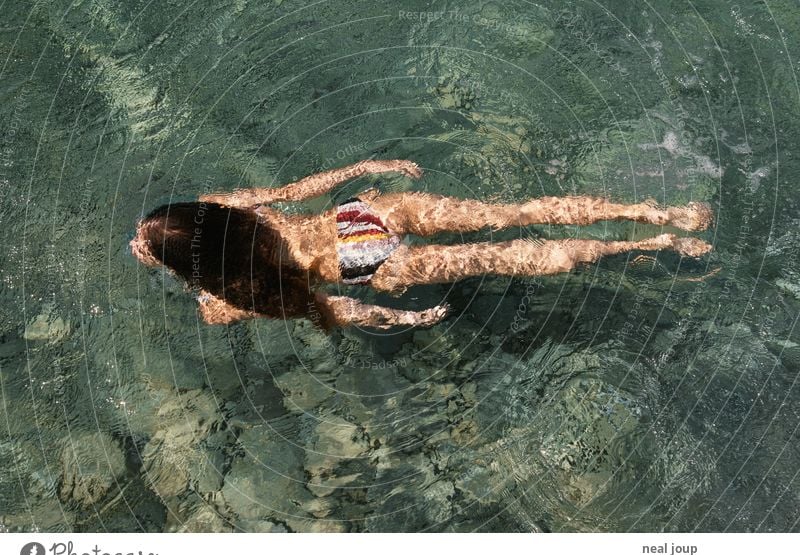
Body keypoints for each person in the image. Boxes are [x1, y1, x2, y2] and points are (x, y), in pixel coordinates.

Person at [129, 159, 713, 329]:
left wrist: (402, 320)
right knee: (513, 214)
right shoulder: (226, 204)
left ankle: (653, 241)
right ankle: (662, 211)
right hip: (362, 215)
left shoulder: (229, 298)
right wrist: (366, 166)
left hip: (362, 263)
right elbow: (296, 188)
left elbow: (334, 310)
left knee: (508, 258)